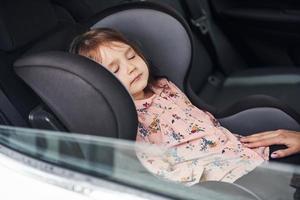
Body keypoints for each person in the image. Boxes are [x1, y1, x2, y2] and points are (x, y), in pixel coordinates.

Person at [69, 28, 299, 186]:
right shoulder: (129, 119)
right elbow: (161, 171)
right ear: (98, 83)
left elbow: (201, 123)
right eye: (115, 69)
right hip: (222, 179)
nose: (130, 67)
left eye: (130, 56)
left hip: (243, 153)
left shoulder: (163, 86)